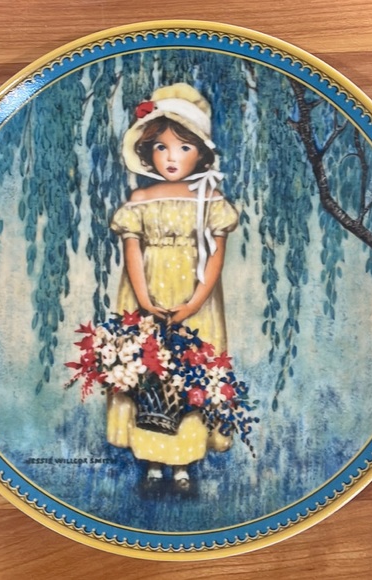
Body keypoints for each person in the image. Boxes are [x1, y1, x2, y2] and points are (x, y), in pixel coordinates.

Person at [107, 83, 239, 489]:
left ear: (201, 153)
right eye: (161, 147)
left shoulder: (210, 200)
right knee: (148, 372)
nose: (171, 157)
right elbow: (132, 251)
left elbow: (215, 256)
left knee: (190, 373)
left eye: (183, 147)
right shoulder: (139, 199)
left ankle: (183, 463)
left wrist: (194, 303)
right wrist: (145, 301)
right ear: (147, 151)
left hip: (194, 297)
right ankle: (151, 461)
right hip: (146, 293)